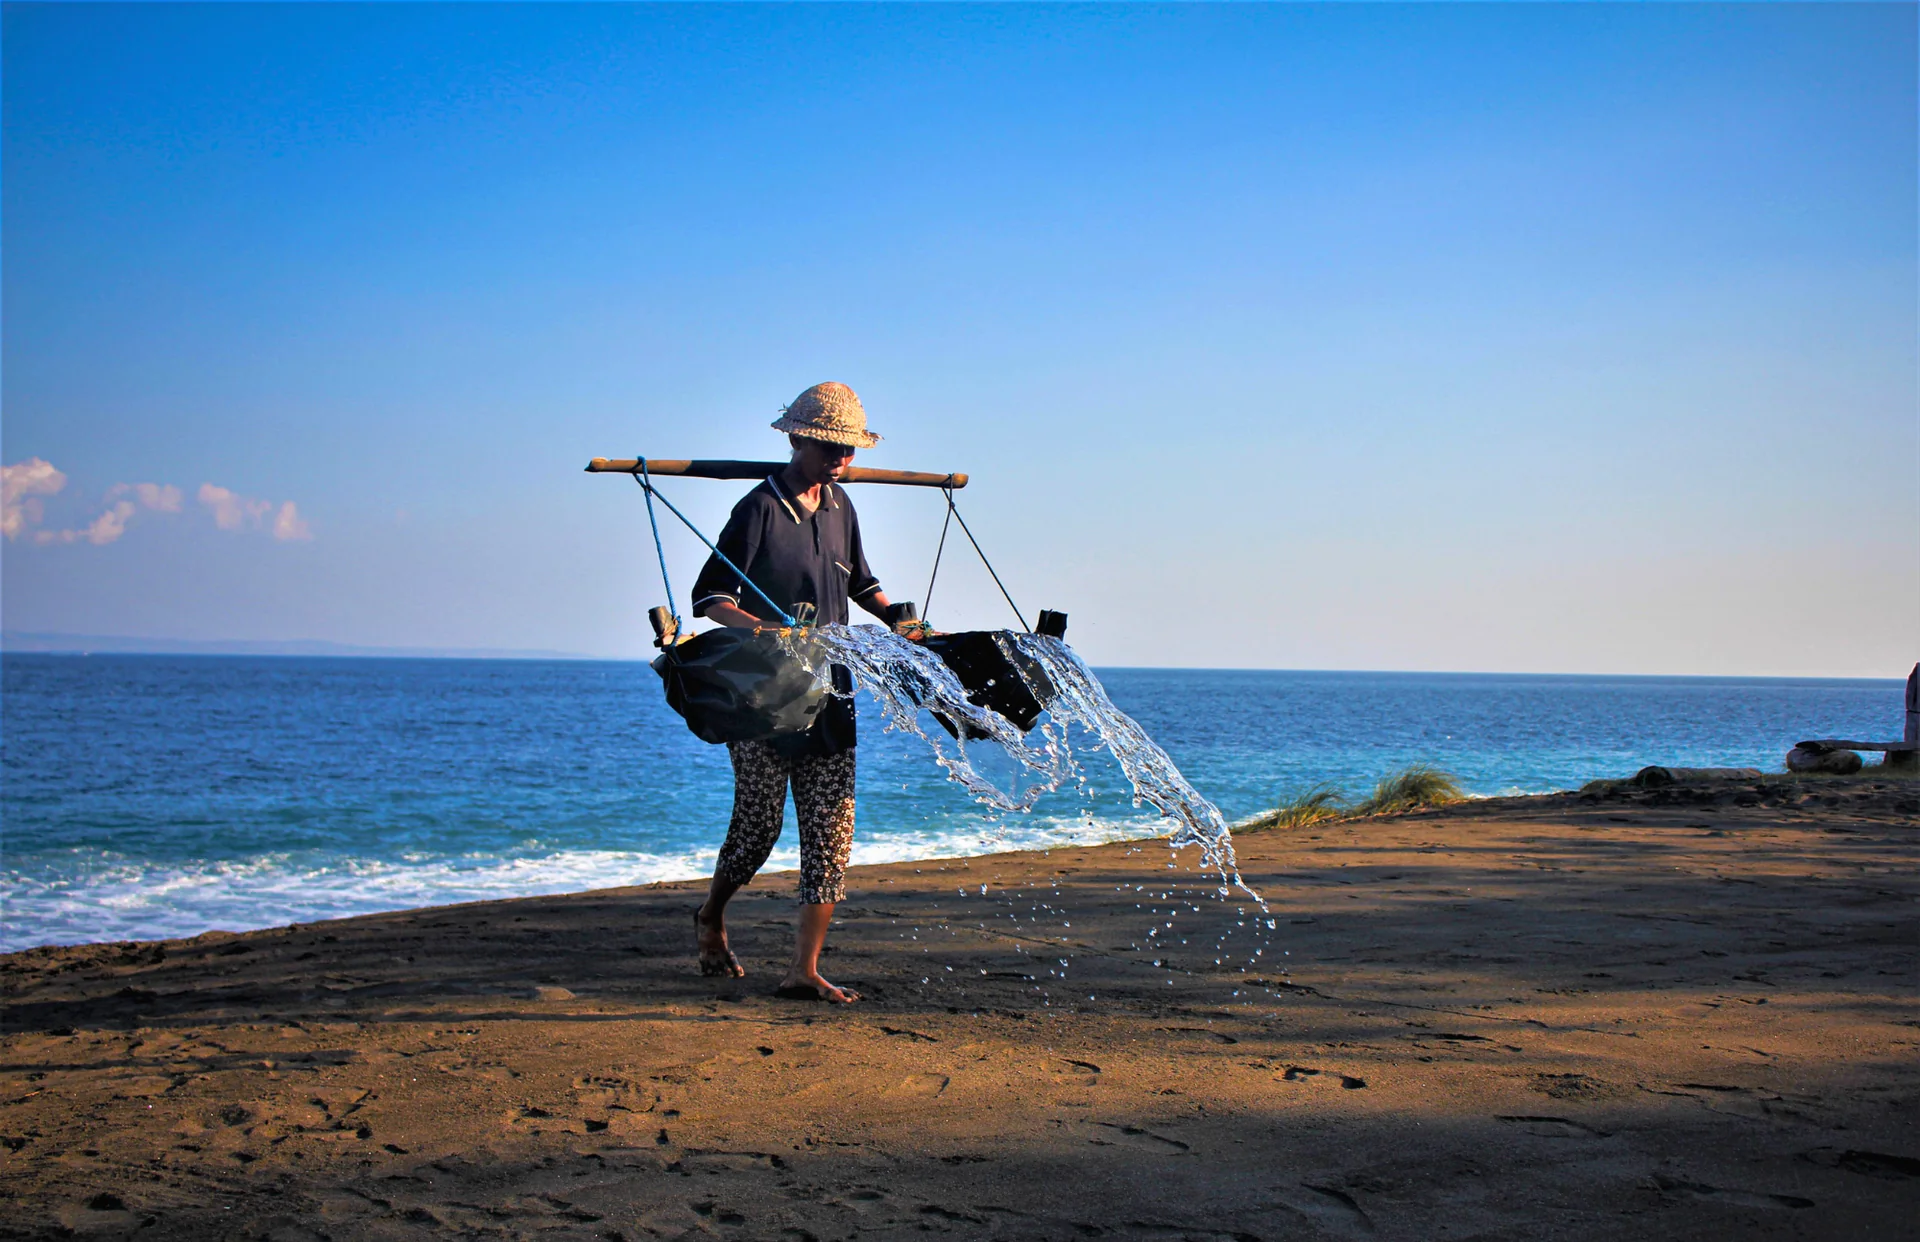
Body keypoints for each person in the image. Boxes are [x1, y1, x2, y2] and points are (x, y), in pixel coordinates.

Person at [687, 381, 915, 1004]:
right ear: (797, 439)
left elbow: (863, 584)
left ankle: (803, 969)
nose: (840, 461)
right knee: (758, 829)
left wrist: (900, 619)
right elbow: (709, 599)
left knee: (830, 828)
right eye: (829, 450)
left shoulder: (842, 507)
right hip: (762, 695)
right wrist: (767, 630)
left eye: (846, 451)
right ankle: (711, 915)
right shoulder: (758, 509)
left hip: (831, 689)